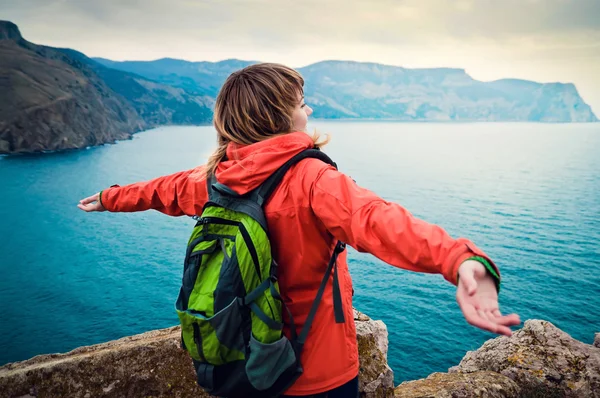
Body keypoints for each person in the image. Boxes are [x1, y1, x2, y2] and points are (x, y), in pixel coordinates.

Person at [78, 63, 521, 397]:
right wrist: (461, 259)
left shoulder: (219, 176)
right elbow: (379, 220)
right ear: (279, 113)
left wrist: (110, 197)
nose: (308, 106)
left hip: (243, 361)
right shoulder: (311, 179)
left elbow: (164, 190)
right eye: (300, 99)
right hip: (317, 372)